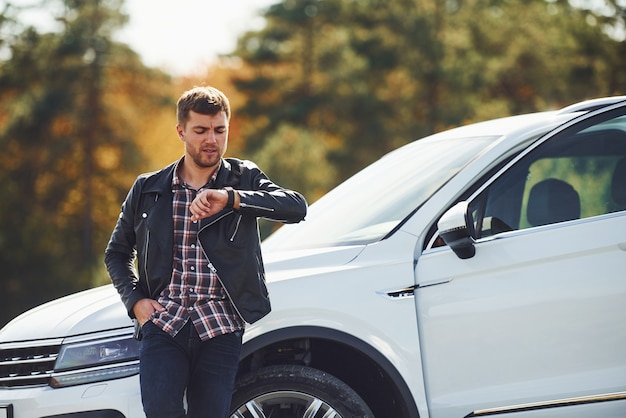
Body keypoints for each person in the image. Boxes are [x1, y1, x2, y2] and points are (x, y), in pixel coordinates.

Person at [104, 85, 307, 418]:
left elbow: (296, 207)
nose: (211, 140)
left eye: (219, 130)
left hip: (221, 325)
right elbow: (117, 253)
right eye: (200, 131)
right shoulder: (148, 187)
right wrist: (135, 301)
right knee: (160, 411)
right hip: (165, 322)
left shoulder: (243, 178)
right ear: (181, 131)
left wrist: (231, 198)